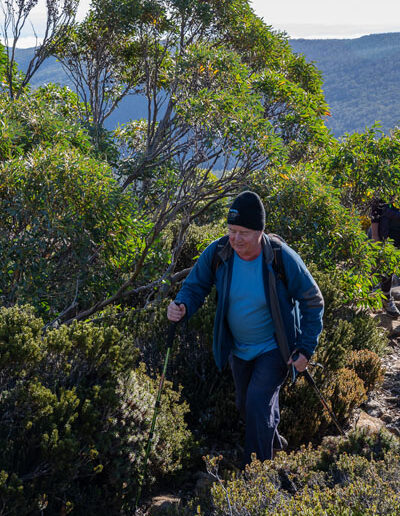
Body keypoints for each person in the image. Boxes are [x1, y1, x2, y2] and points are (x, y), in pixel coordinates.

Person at [167, 191, 324, 465]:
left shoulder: (280, 257)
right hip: (238, 348)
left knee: (257, 402)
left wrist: (306, 348)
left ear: (260, 232)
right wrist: (181, 305)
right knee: (245, 405)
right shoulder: (219, 252)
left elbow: (312, 300)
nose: (236, 239)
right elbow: (195, 286)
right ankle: (274, 442)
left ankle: (256, 476)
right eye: (231, 230)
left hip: (275, 348)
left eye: (243, 232)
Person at [371, 196, 400, 317]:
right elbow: (376, 210)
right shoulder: (387, 185)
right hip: (387, 235)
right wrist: (375, 236)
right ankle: (387, 299)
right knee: (388, 269)